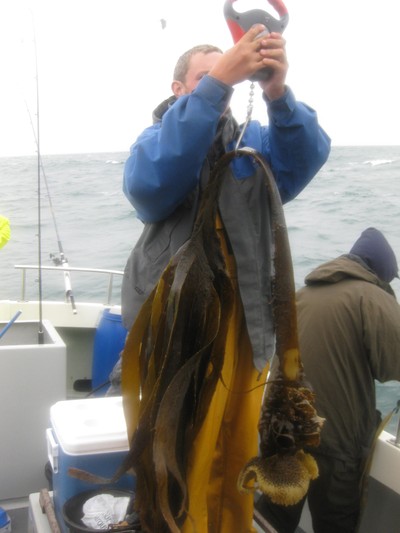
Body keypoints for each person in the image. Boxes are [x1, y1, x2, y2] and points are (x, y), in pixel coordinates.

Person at [114, 24, 330, 532]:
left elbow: (304, 160)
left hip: (250, 332)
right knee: (181, 450)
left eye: (233, 74)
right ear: (179, 89)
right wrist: (217, 88)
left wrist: (277, 93)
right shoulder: (155, 139)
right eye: (208, 76)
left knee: (238, 449)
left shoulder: (255, 145)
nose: (224, 83)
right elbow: (149, 186)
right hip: (179, 341)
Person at [257, 227, 400, 533]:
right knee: (336, 524)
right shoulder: (372, 297)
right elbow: (393, 364)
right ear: (381, 273)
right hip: (335, 441)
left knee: (272, 518)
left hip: (282, 433)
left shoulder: (303, 294)